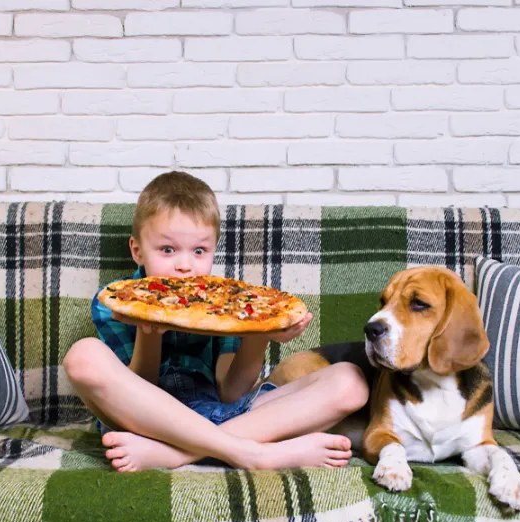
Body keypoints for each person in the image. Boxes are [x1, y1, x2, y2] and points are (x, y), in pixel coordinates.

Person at [63, 171, 369, 472]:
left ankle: (176, 455)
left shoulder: (228, 302)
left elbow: (231, 393)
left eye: (199, 250)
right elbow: (137, 389)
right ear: (137, 250)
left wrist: (260, 331)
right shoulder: (117, 301)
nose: (184, 265)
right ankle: (251, 454)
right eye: (167, 249)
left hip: (222, 413)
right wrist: (149, 331)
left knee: (351, 382)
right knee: (82, 356)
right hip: (144, 423)